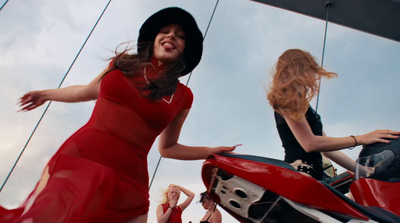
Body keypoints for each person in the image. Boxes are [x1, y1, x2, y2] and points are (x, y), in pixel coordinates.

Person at [0, 7, 235, 223]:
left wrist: (209, 152)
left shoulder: (184, 96)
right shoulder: (123, 64)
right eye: (165, 31)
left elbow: (168, 148)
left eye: (180, 35)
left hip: (131, 177)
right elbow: (86, 91)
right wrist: (46, 94)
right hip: (83, 156)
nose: (171, 36)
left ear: (187, 48)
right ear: (153, 39)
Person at [266, 49, 400, 181]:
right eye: (311, 70)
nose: (314, 76)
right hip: (301, 175)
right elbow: (309, 143)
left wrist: (364, 171)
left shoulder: (302, 104)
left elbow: (328, 149)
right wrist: (361, 139)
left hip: (315, 177)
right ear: (300, 68)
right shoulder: (289, 97)